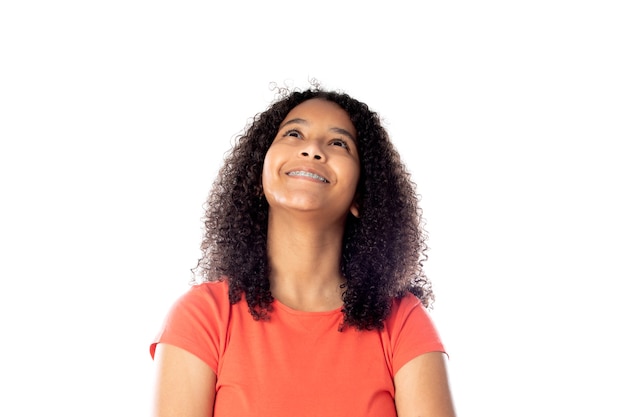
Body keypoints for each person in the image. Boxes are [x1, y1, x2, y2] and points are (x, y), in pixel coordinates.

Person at [150, 83, 456, 417]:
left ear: (360, 195)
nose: (312, 149)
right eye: (294, 134)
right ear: (258, 176)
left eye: (339, 143)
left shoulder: (402, 321)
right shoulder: (202, 316)